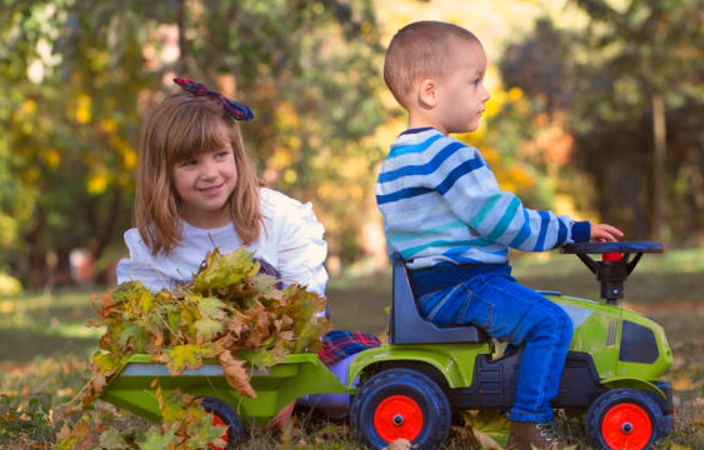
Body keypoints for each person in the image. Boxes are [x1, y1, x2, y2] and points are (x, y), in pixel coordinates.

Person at [377, 21, 623, 450]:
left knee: (533, 307)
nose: (486, 93)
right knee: (550, 321)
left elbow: (400, 241)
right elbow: (503, 222)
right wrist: (572, 230)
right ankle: (528, 428)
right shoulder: (452, 156)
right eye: (475, 81)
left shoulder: (396, 161)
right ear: (430, 92)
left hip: (432, 288)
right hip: (467, 285)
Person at [116, 78, 328, 300]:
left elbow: (309, 310)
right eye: (190, 162)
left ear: (236, 154)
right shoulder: (154, 243)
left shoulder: (278, 217)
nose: (210, 173)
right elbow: (145, 323)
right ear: (163, 172)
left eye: (220, 155)